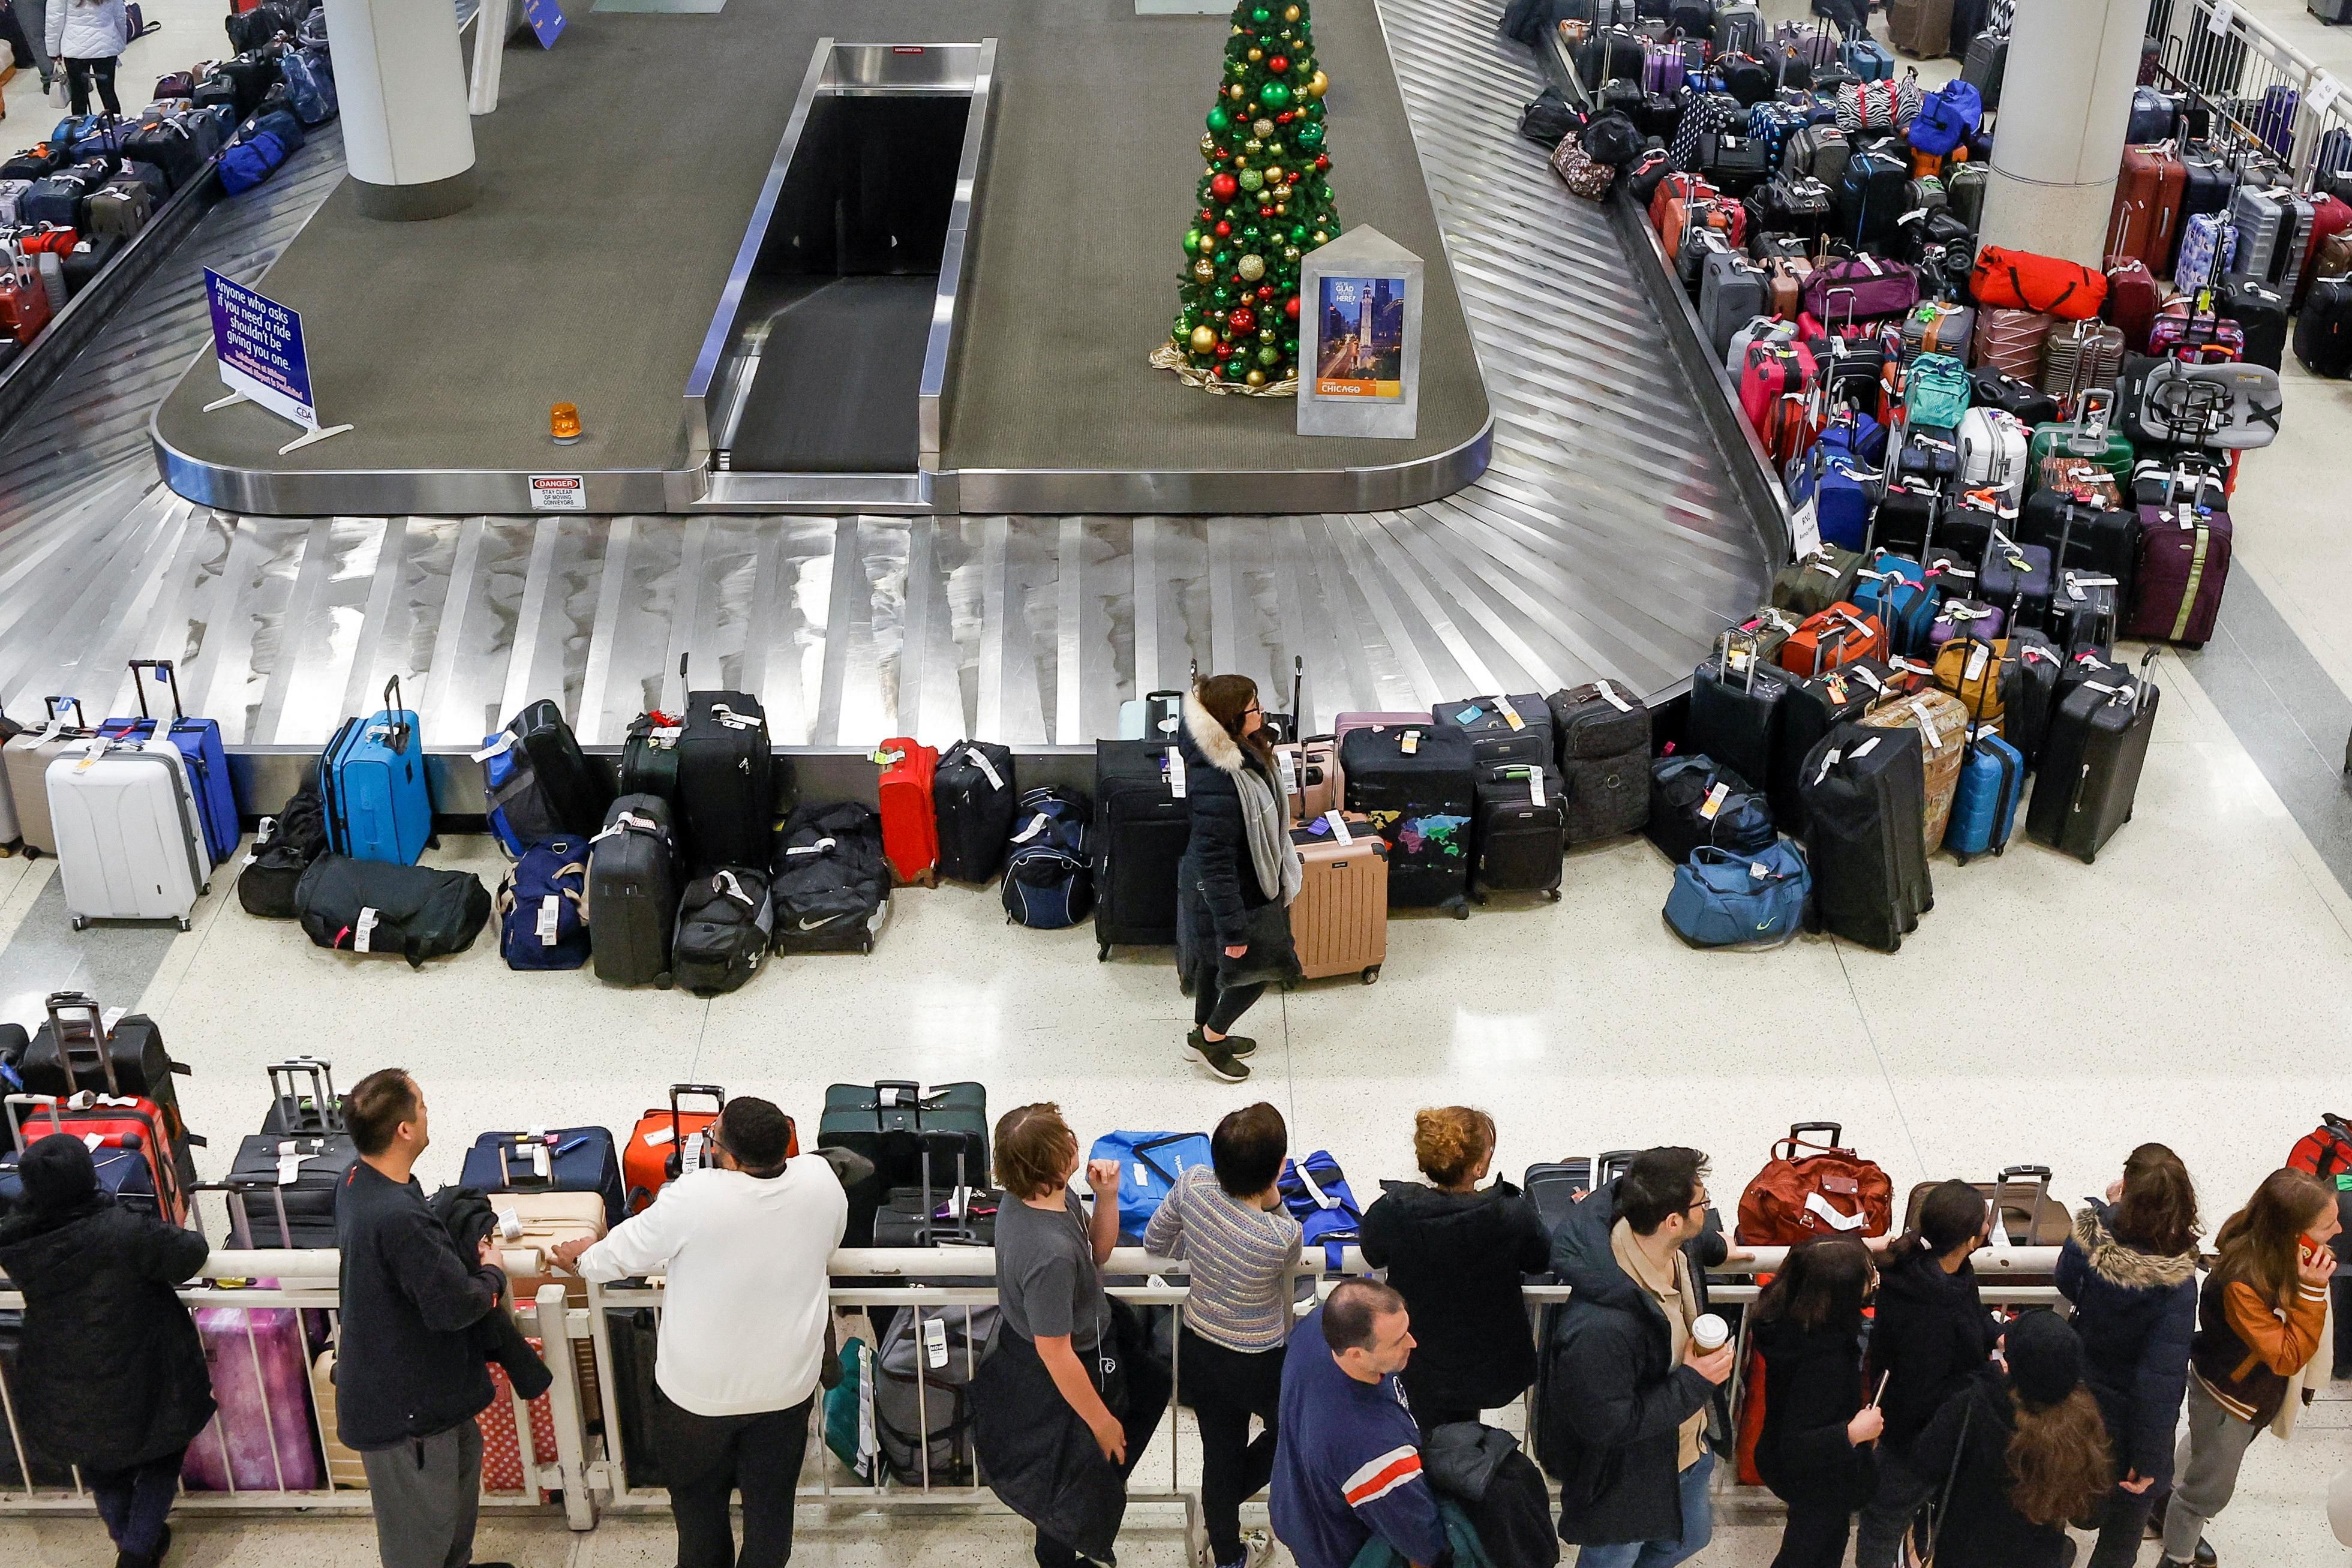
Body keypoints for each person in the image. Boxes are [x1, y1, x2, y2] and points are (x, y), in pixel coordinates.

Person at [552, 1098, 846, 1568]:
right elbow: (828, 1241)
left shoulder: (694, 1196)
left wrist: (583, 1258)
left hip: (695, 1400)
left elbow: (617, 1256)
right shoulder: (820, 1182)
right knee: (771, 1516)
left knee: (699, 1516)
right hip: (786, 1391)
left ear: (726, 1155)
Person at [973, 1103, 1170, 1568]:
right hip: (1066, 1371)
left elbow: (1096, 1253)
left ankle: (1081, 1515)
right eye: (1066, 1139)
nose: (1075, 1141)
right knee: (1074, 1479)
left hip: (1084, 1347)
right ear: (1055, 1162)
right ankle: (1060, 1549)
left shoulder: (1034, 1199)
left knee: (1152, 1386)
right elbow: (1054, 1352)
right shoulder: (1049, 1255)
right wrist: (1100, 1421)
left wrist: (1106, 1198)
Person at [0, 1137, 212, 1568]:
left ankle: (131, 1539)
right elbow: (191, 1253)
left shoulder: (16, 1243)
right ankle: (135, 1552)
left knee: (100, 1465)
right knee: (162, 1450)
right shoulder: (121, 1230)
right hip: (141, 1370)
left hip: (58, 1374)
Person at [334, 1069, 515, 1568]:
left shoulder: (356, 1180)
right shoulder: (397, 1215)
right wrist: (492, 1275)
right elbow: (455, 1306)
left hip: (426, 1387)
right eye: (422, 1105)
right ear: (404, 1130)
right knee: (420, 1532)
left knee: (454, 1498)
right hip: (404, 1407)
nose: (427, 1111)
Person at [1545, 1146, 1735, 1568]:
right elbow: (1607, 1423)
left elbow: (1699, 1238)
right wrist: (1696, 1380)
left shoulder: (1669, 1245)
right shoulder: (1600, 1326)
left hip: (1687, 1448)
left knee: (1691, 1537)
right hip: (1626, 1476)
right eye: (1702, 1203)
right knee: (1615, 1558)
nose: (1707, 1209)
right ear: (1672, 1221)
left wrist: (1721, 1250)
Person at [1142, 1102, 1302, 1568]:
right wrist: (1273, 1198)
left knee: (1221, 1450)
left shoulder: (1193, 1184)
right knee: (1291, 1430)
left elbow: (1157, 1243)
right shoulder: (1279, 1236)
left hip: (1198, 1346)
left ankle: (1229, 1552)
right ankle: (1224, 1503)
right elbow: (1288, 1248)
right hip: (1258, 1359)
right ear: (1277, 1168)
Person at [2159, 1167, 2339, 1568]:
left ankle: (2165, 1502)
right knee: (2209, 1491)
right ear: (2293, 1231)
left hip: (2241, 1390)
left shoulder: (2267, 1245)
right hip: (2232, 1398)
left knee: (2200, 1450)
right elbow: (2286, 1356)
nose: (2339, 1230)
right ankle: (2177, 1553)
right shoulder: (2243, 1281)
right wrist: (2310, 1293)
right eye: (2327, 1225)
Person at [2054, 1144, 2201, 1568]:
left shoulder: (2094, 1229)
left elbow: (2066, 1281)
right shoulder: (2177, 1278)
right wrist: (2151, 1459)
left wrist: (2109, 1209)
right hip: (2128, 1419)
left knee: (2055, 1500)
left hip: (2076, 1396)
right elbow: (2160, 1379)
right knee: (2122, 1535)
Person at [1358, 1107, 1549, 1431]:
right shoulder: (1510, 1214)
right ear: (1478, 1167)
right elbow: (1539, 1260)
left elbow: (1373, 1253)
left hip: (1416, 1362)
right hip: (1489, 1368)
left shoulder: (1396, 1210)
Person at [1852, 1179, 1997, 1568]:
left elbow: (1971, 1317)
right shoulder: (1930, 1308)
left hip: (1927, 1424)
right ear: (1970, 1239)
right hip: (1914, 1438)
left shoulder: (1938, 1269)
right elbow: (1922, 1391)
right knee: (1882, 1521)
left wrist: (1995, 1335)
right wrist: (1983, 1380)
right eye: (1984, 1223)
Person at [1905, 1311, 2113, 1568]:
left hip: (1963, 1548)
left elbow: (1923, 1462)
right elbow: (2091, 1516)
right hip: (2037, 1555)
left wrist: (1986, 1377)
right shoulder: (2086, 1419)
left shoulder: (1973, 1405)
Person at [1268, 1279, 1449, 1568]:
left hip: (1295, 1508)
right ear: (1356, 1354)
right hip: (1344, 1552)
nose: (1412, 1343)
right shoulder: (1374, 1450)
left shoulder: (1318, 1327)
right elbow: (1424, 1547)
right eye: (1398, 1340)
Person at [1175, 674, 1302, 1083]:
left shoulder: (1230, 753)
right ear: (1231, 719)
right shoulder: (1221, 782)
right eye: (1253, 709)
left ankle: (1201, 1032)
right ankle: (1212, 1039)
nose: (1261, 713)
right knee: (1260, 969)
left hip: (1230, 882)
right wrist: (1234, 931)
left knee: (1215, 965)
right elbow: (1217, 865)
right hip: (1231, 891)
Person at [1749, 1236, 1881, 1568]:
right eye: (1868, 1273)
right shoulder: (1825, 1360)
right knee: (1810, 1551)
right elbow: (1800, 1443)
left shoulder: (1791, 1320)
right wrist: (1854, 1432)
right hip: (1818, 1475)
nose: (1875, 1277)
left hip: (1790, 1462)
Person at [46, 0, 123, 117]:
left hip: (74, 48)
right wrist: (121, 42)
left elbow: (54, 21)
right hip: (106, 45)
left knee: (78, 95)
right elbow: (120, 16)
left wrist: (53, 51)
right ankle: (116, 127)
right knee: (108, 93)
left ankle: (79, 128)